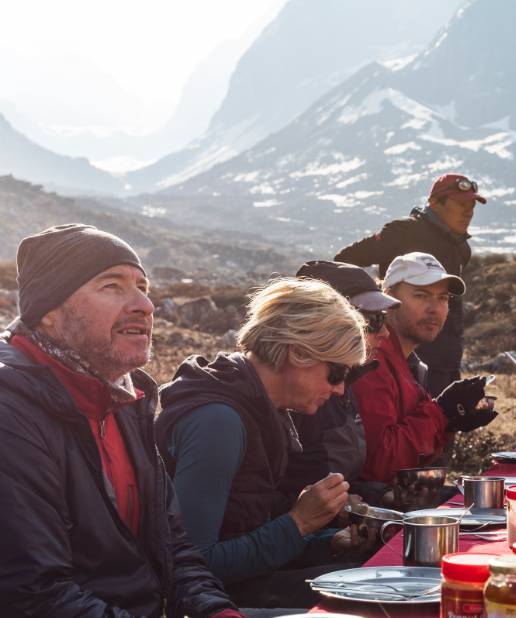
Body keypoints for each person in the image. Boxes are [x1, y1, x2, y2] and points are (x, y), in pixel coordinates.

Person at [0, 224, 239, 616]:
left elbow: (174, 548)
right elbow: (35, 595)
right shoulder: (12, 414)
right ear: (48, 313)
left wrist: (216, 610)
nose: (145, 305)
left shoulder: (125, 400)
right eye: (111, 286)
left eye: (142, 286)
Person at [156, 277, 369, 609]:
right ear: (297, 352)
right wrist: (299, 523)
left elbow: (246, 530)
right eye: (337, 373)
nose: (341, 390)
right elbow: (192, 565)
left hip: (243, 586)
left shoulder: (263, 410)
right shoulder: (219, 422)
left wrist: (328, 542)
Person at [353, 252, 497, 487]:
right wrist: (441, 413)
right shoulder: (372, 361)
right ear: (387, 299)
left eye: (442, 298)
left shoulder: (410, 363)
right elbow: (379, 462)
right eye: (421, 295)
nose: (435, 308)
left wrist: (449, 421)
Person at [335, 173, 485, 396]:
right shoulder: (402, 232)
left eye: (472, 204)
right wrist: (371, 306)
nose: (469, 211)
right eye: (461, 203)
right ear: (434, 203)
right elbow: (344, 260)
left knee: (445, 423)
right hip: (402, 354)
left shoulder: (461, 248)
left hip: (446, 356)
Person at [285, 260, 401, 503]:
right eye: (372, 321)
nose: (385, 333)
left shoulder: (346, 384)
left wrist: (383, 496)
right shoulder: (293, 396)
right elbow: (283, 496)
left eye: (383, 318)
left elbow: (342, 477)